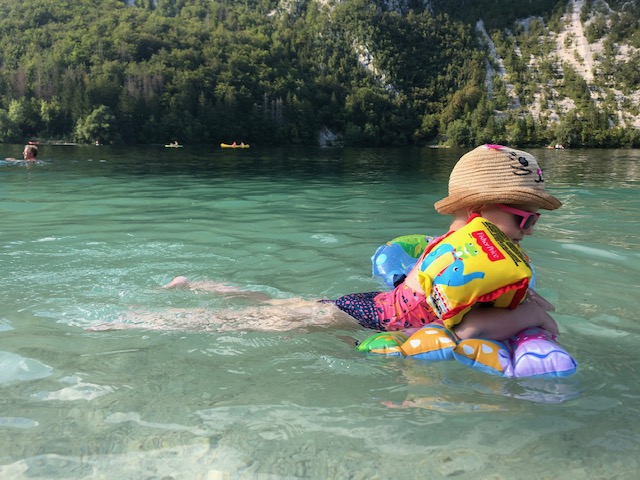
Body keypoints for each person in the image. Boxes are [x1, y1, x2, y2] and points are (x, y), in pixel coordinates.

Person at [93, 144, 560, 342]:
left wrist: (515, 300)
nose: (531, 227)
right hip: (365, 315)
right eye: (524, 217)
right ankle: (137, 320)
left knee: (279, 303)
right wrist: (530, 315)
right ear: (480, 210)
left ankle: (194, 282)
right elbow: (466, 332)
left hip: (369, 303)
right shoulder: (473, 254)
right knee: (251, 323)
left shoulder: (456, 247)